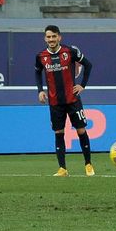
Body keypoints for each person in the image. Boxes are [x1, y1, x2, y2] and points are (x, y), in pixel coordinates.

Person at [35, 25, 95, 177]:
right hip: (55, 102)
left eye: (54, 36)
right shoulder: (41, 56)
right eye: (48, 37)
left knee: (81, 130)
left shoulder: (69, 52)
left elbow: (88, 64)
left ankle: (88, 164)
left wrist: (82, 85)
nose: (51, 39)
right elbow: (37, 72)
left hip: (72, 99)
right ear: (45, 39)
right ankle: (63, 169)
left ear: (59, 37)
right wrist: (40, 90)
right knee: (58, 132)